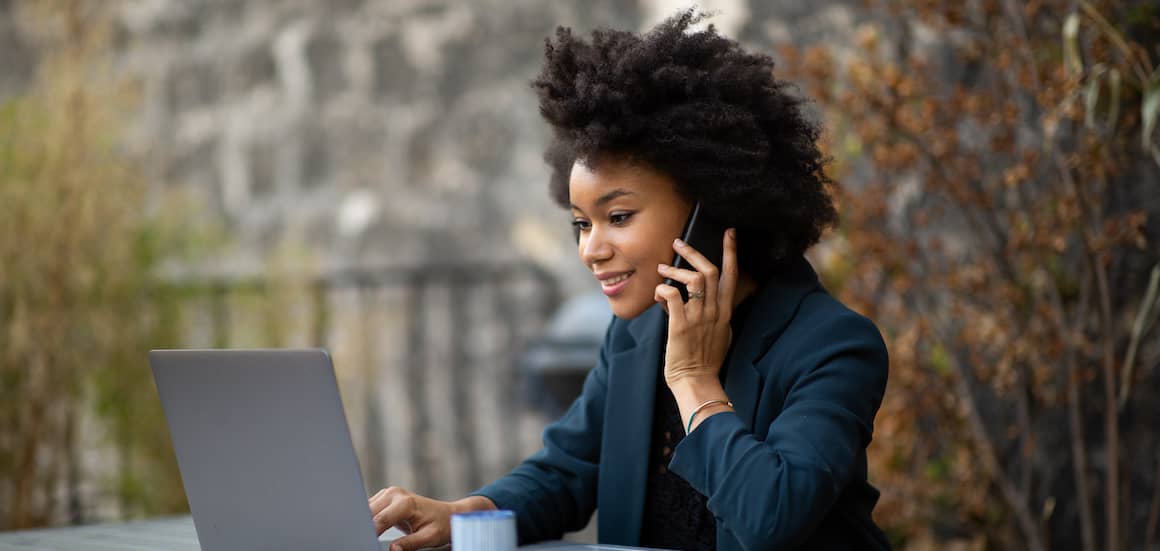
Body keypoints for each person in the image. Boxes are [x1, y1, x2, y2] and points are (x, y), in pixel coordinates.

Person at [368, 10, 890, 551]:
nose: (590, 250)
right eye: (580, 224)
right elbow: (566, 470)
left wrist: (692, 380)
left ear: (710, 212)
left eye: (618, 217)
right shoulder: (638, 333)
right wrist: (463, 515)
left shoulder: (831, 346)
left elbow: (771, 518)